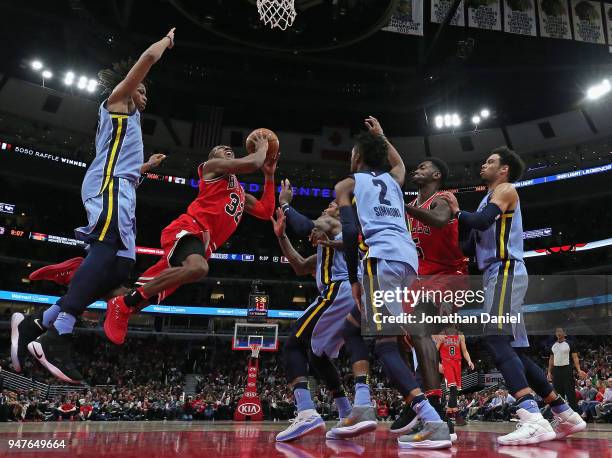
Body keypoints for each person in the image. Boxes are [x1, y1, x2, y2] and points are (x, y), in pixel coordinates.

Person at [12, 28, 176, 383]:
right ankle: (59, 335)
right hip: (109, 185)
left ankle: (37, 324)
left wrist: (145, 168)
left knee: (120, 269)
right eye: (142, 88)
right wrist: (164, 43)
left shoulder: (129, 121)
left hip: (124, 186)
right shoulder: (117, 102)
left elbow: (123, 161)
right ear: (129, 86)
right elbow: (145, 62)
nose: (145, 94)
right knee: (104, 249)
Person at [440, 146, 586, 445]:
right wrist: (447, 223)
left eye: (490, 160)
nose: (484, 164)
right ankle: (564, 413)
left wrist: (456, 211)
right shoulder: (486, 198)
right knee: (515, 352)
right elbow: (469, 244)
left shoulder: (505, 190)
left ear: (504, 168)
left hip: (505, 269)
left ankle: (530, 415)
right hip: (496, 273)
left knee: (494, 336)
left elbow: (480, 222)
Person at [329, 116, 452, 449]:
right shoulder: (394, 179)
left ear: (356, 157)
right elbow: (399, 162)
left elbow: (352, 232)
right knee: (353, 329)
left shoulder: (347, 185)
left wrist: (354, 277)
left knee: (385, 344)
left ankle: (432, 420)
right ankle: (363, 402)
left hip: (379, 260)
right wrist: (382, 135)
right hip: (407, 260)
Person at [103, 139, 278, 345]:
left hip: (201, 244)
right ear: (213, 157)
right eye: (222, 148)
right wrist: (263, 149)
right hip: (189, 228)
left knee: (138, 299)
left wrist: (269, 175)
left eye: (229, 148)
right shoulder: (210, 168)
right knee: (198, 268)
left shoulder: (239, 192)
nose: (227, 149)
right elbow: (251, 164)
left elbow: (266, 212)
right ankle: (123, 305)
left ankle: (87, 281)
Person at [391, 157, 468, 434]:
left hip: (448, 274)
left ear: (436, 174)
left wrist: (406, 209)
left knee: (421, 329)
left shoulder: (443, 198)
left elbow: (438, 221)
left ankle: (434, 406)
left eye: (422, 167)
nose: (416, 169)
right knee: (402, 338)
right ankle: (419, 401)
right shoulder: (413, 207)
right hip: (420, 277)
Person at [271, 187, 355, 442]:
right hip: (349, 296)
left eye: (331, 204)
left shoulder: (336, 222)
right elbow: (298, 266)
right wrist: (281, 236)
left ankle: (306, 411)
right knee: (318, 356)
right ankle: (346, 414)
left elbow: (304, 225)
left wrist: (285, 204)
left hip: (337, 291)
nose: (326, 208)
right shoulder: (331, 245)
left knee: (292, 345)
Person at [436, 325, 474, 421]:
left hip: (457, 363)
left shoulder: (460, 334)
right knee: (453, 388)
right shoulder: (441, 334)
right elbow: (434, 350)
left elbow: (464, 351)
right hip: (446, 362)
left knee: (455, 389)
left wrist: (469, 361)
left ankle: (449, 413)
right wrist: (438, 363)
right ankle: (456, 414)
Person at [548, 327, 587, 411]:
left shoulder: (570, 343)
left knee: (570, 394)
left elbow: (575, 357)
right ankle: (561, 416)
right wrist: (549, 372)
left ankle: (577, 414)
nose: (558, 333)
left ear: (564, 333)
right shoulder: (553, 345)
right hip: (556, 371)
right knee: (558, 395)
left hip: (567, 369)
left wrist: (579, 370)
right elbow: (551, 359)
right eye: (557, 332)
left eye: (560, 331)